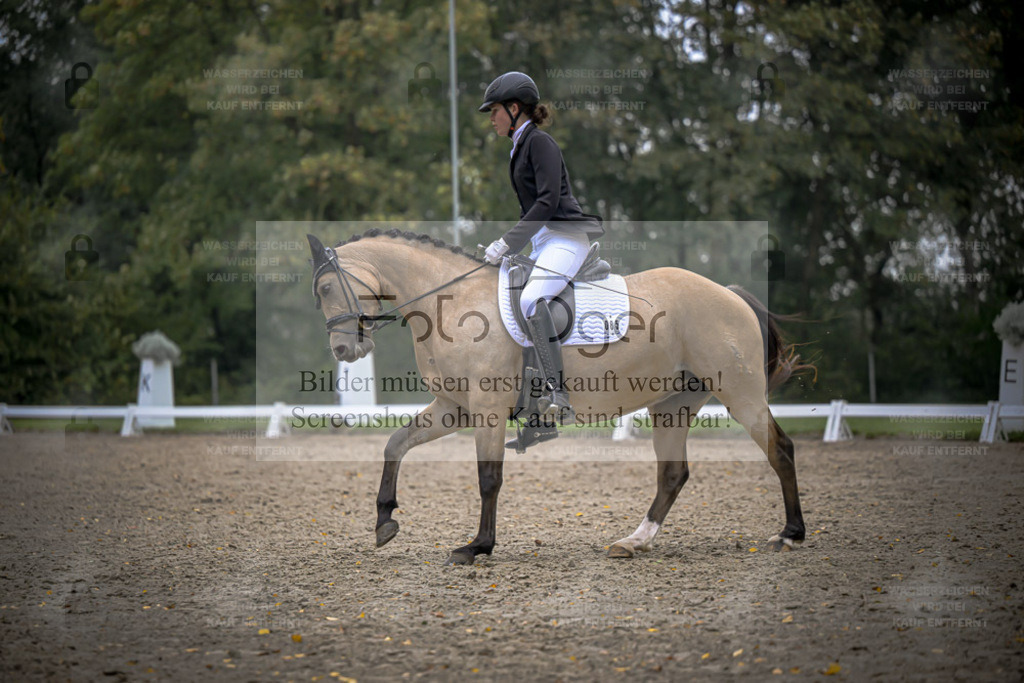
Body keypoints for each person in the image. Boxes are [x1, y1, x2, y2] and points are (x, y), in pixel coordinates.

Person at [479, 71, 604, 428]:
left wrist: (508, 242)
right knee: (507, 289)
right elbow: (531, 207)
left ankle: (556, 393)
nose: (491, 118)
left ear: (514, 108)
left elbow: (548, 202)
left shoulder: (540, 143)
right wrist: (512, 249)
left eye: (495, 111)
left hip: (565, 238)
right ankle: (527, 397)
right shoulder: (520, 145)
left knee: (531, 298)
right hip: (544, 241)